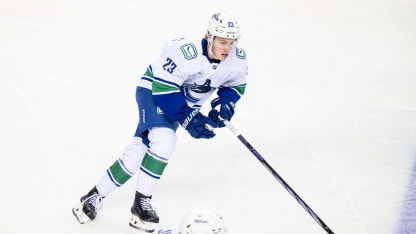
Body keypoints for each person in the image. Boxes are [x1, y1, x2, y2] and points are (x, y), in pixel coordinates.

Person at [72, 12, 248, 233]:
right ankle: (141, 203)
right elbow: (164, 89)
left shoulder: (237, 58)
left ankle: (94, 195)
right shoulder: (186, 52)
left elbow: (235, 84)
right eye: (223, 42)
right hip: (155, 92)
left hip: (180, 101)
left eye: (232, 42)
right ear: (209, 36)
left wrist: (225, 103)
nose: (227, 48)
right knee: (164, 140)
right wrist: (187, 118)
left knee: (140, 150)